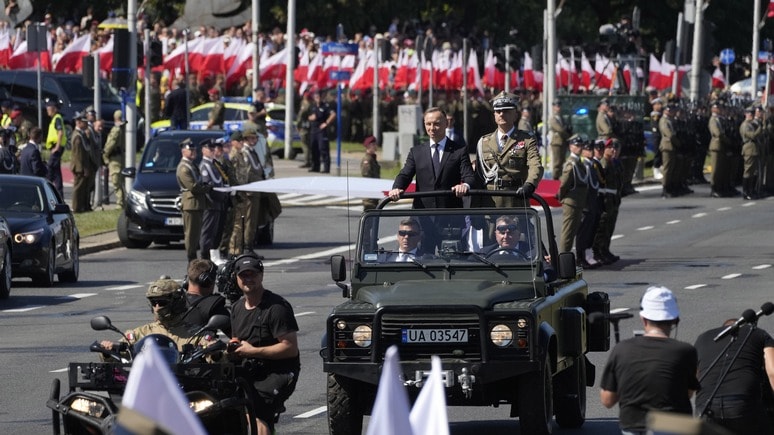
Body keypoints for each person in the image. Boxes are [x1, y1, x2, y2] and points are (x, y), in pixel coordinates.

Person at [600, 286, 700, 435]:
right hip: (675, 426)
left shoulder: (622, 349)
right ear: (674, 320)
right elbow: (688, 393)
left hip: (633, 424)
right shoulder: (686, 352)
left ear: (643, 319)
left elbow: (607, 400)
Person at [229, 254, 300, 435]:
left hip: (277, 372)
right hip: (249, 369)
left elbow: (290, 348)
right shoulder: (237, 307)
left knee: (257, 411)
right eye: (243, 275)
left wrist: (253, 351)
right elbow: (238, 339)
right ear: (237, 278)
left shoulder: (276, 308)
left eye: (252, 274)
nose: (248, 279)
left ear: (261, 275)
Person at [693, 316, 774, 435]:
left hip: (706, 407)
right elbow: (772, 372)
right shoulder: (757, 333)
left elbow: (693, 379)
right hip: (743, 404)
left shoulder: (702, 338)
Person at [389, 107, 475, 208]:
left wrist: (465, 186)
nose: (432, 128)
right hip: (422, 215)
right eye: (428, 124)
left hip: (450, 214)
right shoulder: (416, 152)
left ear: (446, 124)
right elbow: (405, 175)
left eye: (436, 124)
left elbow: (469, 176)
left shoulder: (459, 151)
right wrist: (396, 188)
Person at [474, 91, 543, 208]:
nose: (501, 114)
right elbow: (478, 176)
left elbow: (535, 164)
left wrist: (530, 184)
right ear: (494, 115)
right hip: (490, 202)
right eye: (498, 111)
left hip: (515, 199)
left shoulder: (527, 139)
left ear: (515, 115)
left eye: (506, 111)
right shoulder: (483, 142)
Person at [99, 278, 204, 354]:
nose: (157, 307)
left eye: (162, 302)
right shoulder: (140, 333)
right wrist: (108, 350)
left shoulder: (196, 335)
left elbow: (217, 359)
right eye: (154, 303)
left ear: (177, 303)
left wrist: (215, 354)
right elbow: (117, 356)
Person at [228, 128, 265, 257]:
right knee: (247, 221)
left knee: (252, 221)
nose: (254, 140)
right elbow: (246, 173)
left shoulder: (251, 152)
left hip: (254, 190)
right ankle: (245, 247)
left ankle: (248, 246)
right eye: (252, 138)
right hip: (248, 191)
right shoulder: (242, 153)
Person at [176, 138, 211, 262]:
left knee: (197, 234)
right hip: (191, 204)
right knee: (191, 235)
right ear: (183, 151)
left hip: (197, 203)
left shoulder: (191, 165)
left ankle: (195, 259)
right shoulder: (184, 168)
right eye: (190, 150)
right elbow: (193, 186)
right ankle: (191, 259)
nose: (193, 152)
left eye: (194, 150)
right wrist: (207, 188)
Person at [181, 259, 231, 336]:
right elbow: (236, 335)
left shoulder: (174, 300)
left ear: (187, 280)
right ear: (207, 281)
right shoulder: (213, 305)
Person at [199, 138, 229, 263]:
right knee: (208, 231)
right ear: (203, 150)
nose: (212, 151)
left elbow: (220, 181)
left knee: (216, 231)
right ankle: (205, 257)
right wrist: (221, 194)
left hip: (218, 201)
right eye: (210, 149)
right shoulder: (204, 166)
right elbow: (208, 184)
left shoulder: (213, 164)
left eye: (213, 149)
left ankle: (213, 255)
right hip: (211, 202)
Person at [557, 134, 588, 254]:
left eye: (581, 145)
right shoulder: (571, 164)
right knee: (568, 232)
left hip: (578, 201)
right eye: (577, 145)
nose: (580, 148)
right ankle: (563, 257)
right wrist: (562, 197)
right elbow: (563, 184)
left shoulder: (578, 162)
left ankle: (567, 256)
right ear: (571, 147)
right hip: (571, 202)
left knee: (573, 231)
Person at [70, 113, 99, 213]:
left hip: (83, 166)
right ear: (78, 122)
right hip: (79, 167)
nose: (86, 124)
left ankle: (83, 206)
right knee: (78, 188)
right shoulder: (78, 136)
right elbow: (78, 155)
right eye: (84, 122)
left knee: (84, 188)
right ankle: (76, 208)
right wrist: (83, 168)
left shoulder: (82, 134)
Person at [308, 89, 336, 173]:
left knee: (323, 149)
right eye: (316, 96)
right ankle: (315, 167)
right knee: (314, 148)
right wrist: (311, 118)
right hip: (313, 130)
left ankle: (326, 168)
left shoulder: (325, 106)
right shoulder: (312, 106)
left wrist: (326, 123)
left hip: (321, 131)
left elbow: (333, 114)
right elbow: (308, 116)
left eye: (319, 96)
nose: (318, 98)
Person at [103, 110, 126, 207]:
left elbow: (111, 143)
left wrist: (105, 154)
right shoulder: (123, 128)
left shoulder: (116, 129)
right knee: (121, 180)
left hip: (115, 158)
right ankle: (122, 201)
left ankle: (120, 203)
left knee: (116, 181)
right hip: (121, 157)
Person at [708, 102, 731, 198]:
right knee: (716, 169)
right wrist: (727, 140)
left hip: (721, 146)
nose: (720, 110)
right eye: (718, 108)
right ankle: (714, 188)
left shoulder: (719, 119)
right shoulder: (713, 120)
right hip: (716, 146)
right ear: (713, 109)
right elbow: (717, 133)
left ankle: (719, 187)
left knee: (721, 168)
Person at [44, 98, 67, 197]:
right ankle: (59, 194)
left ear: (54, 108)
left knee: (50, 169)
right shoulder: (55, 118)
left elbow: (60, 133)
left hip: (56, 147)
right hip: (55, 147)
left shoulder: (57, 118)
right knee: (57, 172)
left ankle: (46, 189)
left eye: (48, 108)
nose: (47, 110)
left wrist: (57, 147)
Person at [739, 106, 762, 200]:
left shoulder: (751, 124)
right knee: (748, 171)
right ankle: (746, 192)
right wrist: (760, 128)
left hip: (753, 149)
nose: (751, 115)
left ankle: (751, 190)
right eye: (749, 113)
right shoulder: (745, 125)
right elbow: (752, 135)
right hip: (748, 148)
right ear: (746, 114)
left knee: (753, 171)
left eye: (752, 113)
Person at [549, 99, 571, 180]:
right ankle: (555, 179)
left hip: (563, 142)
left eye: (559, 106)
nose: (558, 108)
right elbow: (560, 129)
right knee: (557, 163)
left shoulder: (561, 118)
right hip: (557, 143)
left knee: (562, 162)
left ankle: (559, 180)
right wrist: (567, 134)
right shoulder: (553, 119)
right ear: (553, 107)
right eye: (556, 106)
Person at [360, 135, 381, 211]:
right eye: (373, 144)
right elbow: (366, 175)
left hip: (373, 194)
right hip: (369, 196)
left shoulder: (372, 158)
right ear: (369, 146)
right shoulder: (367, 159)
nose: (375, 146)